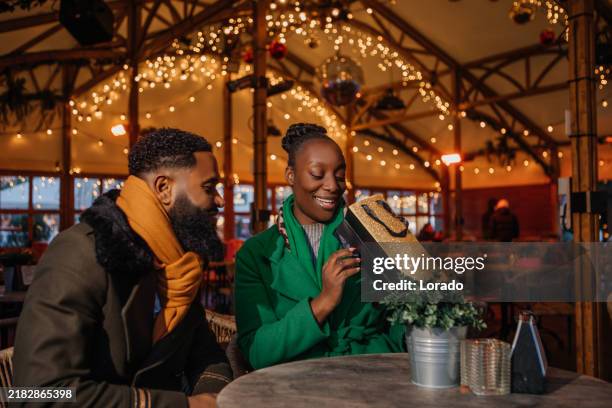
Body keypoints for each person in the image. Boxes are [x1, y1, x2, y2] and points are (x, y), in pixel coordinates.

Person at [13, 128, 232, 407]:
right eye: (209, 187)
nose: (220, 200)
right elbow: (33, 393)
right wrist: (184, 405)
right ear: (164, 188)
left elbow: (208, 356)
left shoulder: (179, 263)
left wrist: (213, 397)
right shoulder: (79, 254)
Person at [235, 123, 404, 370]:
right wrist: (323, 302)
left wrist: (430, 296)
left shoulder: (375, 232)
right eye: (317, 174)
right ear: (290, 176)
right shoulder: (256, 254)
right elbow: (256, 351)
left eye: (339, 175)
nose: (333, 186)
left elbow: (403, 324)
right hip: (297, 384)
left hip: (374, 373)